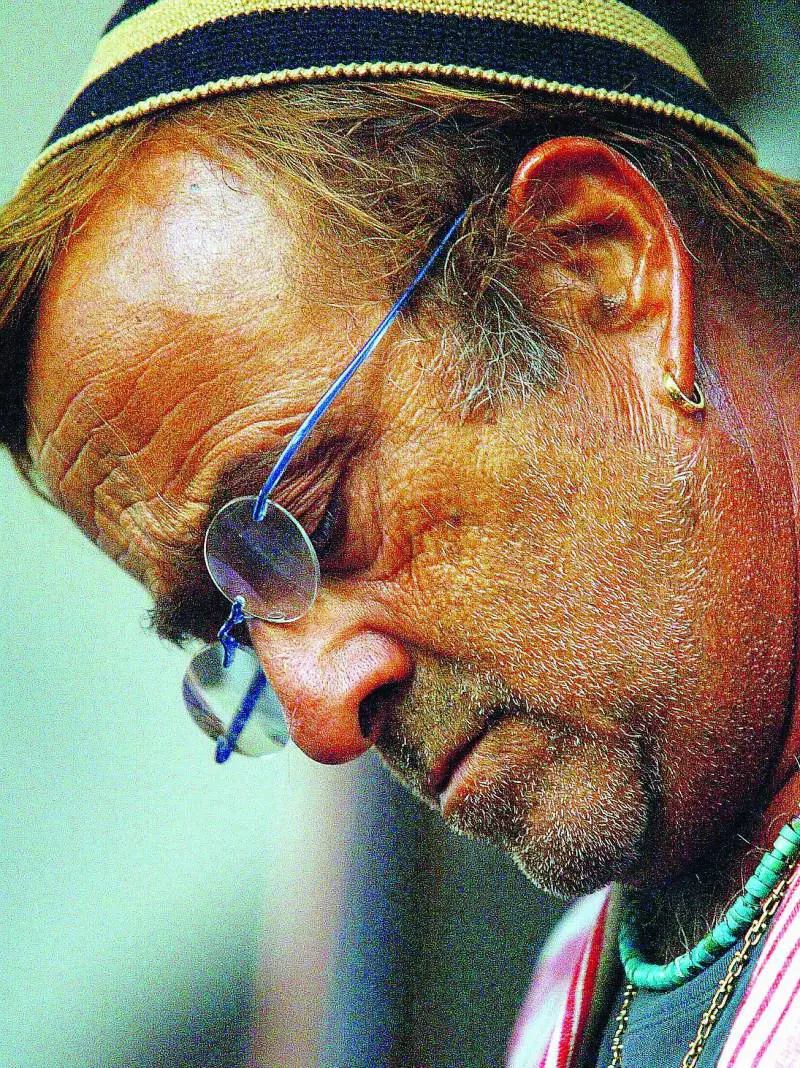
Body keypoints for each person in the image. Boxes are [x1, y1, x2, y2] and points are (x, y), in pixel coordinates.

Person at [2, 2, 799, 1064]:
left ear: (594, 261)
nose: (320, 715)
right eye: (232, 628)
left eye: (315, 521)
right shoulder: (573, 994)